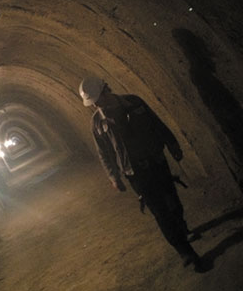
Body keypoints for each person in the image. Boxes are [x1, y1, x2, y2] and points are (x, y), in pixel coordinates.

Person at [79, 76, 203, 272]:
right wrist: (113, 177)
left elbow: (156, 123)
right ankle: (185, 251)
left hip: (157, 161)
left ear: (106, 90)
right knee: (160, 212)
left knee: (172, 201)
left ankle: (182, 227)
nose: (96, 106)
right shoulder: (97, 123)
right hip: (135, 173)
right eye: (93, 103)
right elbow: (104, 153)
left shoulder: (134, 102)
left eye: (98, 100)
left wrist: (172, 143)